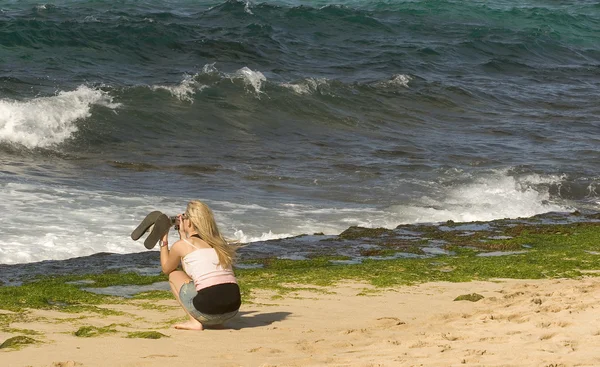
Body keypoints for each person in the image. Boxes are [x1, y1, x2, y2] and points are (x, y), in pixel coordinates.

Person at [159, 200, 241, 330]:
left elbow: (166, 268)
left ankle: (194, 322)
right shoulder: (219, 244)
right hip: (231, 311)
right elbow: (192, 269)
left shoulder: (182, 246)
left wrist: (163, 240)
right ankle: (217, 322)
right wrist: (183, 236)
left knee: (174, 275)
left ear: (189, 222)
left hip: (207, 311)